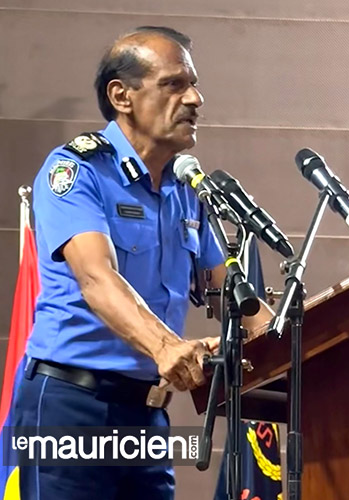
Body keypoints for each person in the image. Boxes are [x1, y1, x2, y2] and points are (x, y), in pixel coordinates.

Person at [15, 26, 273, 498]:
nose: (195, 98)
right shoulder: (77, 171)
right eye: (174, 84)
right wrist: (165, 346)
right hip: (71, 406)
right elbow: (96, 278)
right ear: (122, 95)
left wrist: (298, 348)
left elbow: (237, 296)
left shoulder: (185, 191)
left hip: (147, 411)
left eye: (193, 84)